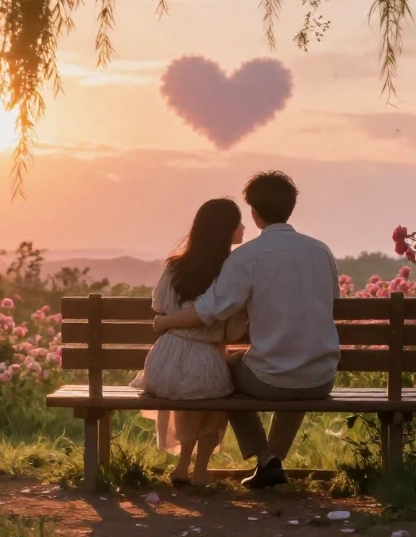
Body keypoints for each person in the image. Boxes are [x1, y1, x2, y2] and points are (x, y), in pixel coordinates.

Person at [152, 171, 341, 489]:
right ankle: (273, 461)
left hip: (271, 380)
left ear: (253, 212)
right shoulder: (321, 251)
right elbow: (334, 302)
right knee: (295, 371)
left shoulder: (247, 257)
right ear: (291, 207)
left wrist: (167, 322)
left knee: (227, 375)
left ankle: (266, 457)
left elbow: (209, 310)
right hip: (321, 378)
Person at [130, 198, 249, 486]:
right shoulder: (230, 273)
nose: (243, 227)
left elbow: (160, 308)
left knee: (190, 390)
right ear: (226, 230)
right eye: (238, 223)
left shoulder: (175, 266)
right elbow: (233, 333)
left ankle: (182, 466)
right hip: (205, 360)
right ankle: (199, 470)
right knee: (212, 392)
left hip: (163, 365)